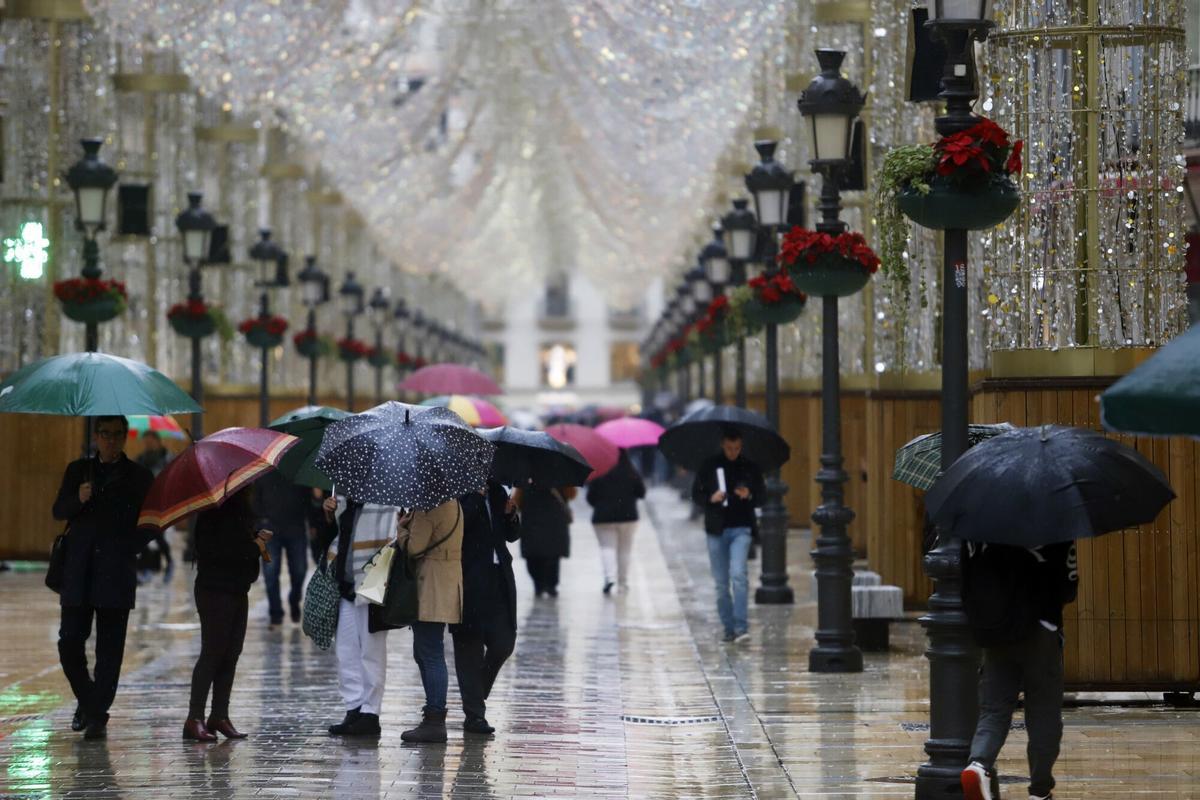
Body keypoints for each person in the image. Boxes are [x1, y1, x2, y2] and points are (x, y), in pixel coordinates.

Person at [51, 415, 154, 739]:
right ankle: (91, 704)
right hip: (78, 571)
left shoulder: (139, 477)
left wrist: (127, 546)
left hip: (116, 573)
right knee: (69, 643)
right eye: (105, 434)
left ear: (125, 437)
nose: (111, 440)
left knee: (110, 653)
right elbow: (59, 510)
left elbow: (151, 523)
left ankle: (95, 715)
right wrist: (78, 499)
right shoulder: (78, 471)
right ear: (95, 436)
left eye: (117, 434)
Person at [960, 539, 1078, 800]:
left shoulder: (977, 524)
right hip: (1040, 626)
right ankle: (1040, 789)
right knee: (1043, 710)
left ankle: (978, 764)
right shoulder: (1056, 523)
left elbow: (966, 578)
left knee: (994, 709)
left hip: (996, 628)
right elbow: (1068, 587)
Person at [183, 485, 273, 741]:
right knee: (213, 652)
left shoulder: (239, 508)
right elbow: (221, 550)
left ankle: (219, 715)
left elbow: (235, 542)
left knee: (231, 653)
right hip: (215, 590)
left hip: (237, 588)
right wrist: (255, 545)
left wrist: (254, 537)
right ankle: (194, 718)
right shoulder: (213, 510)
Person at [319, 495, 401, 737]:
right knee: (346, 650)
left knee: (371, 651)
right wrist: (328, 515)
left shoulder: (387, 502)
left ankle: (370, 713)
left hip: (373, 584)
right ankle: (353, 707)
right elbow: (333, 538)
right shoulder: (344, 500)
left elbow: (393, 542)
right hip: (345, 584)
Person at [451, 480, 520, 736]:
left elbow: (512, 535)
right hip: (467, 578)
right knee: (469, 646)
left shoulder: (497, 491)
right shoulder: (456, 491)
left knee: (504, 643)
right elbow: (458, 528)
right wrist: (475, 498)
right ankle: (475, 716)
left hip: (498, 578)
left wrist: (510, 514)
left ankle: (474, 695)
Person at [396, 498, 465, 744]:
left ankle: (435, 720)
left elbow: (414, 547)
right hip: (446, 580)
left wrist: (401, 527)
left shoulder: (429, 506)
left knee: (430, 653)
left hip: (430, 584)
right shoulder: (453, 502)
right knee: (426, 651)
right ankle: (433, 717)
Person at [690, 427, 764, 644]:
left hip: (742, 527)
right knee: (721, 584)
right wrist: (710, 498)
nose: (733, 452)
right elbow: (696, 494)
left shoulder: (749, 467)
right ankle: (728, 628)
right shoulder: (709, 465)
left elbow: (762, 496)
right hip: (716, 529)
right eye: (730, 448)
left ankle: (741, 627)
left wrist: (749, 494)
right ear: (723, 444)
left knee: (739, 575)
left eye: (737, 448)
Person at [254, 469, 310, 626]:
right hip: (269, 529)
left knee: (299, 571)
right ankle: (275, 612)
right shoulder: (263, 470)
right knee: (270, 573)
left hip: (296, 528)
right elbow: (255, 500)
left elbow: (307, 497)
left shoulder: (298, 468)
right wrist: (259, 525)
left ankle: (294, 600)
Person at [585, 450, 645, 594]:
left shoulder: (599, 471)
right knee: (624, 550)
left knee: (607, 547)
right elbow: (641, 492)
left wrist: (602, 503)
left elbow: (591, 497)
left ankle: (609, 577)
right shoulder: (631, 471)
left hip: (603, 517)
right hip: (628, 516)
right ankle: (622, 582)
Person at [516, 485, 574, 597]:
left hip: (532, 524)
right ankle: (551, 585)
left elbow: (517, 502)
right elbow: (571, 494)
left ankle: (539, 584)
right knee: (553, 557)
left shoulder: (525, 480)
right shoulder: (561, 477)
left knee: (533, 557)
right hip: (555, 524)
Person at [134, 430, 175, 583]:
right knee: (143, 534)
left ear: (157, 441)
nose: (147, 444)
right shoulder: (141, 458)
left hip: (161, 503)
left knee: (158, 535)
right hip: (144, 502)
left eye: (150, 441)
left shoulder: (167, 458)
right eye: (145, 441)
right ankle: (147, 567)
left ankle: (168, 562)